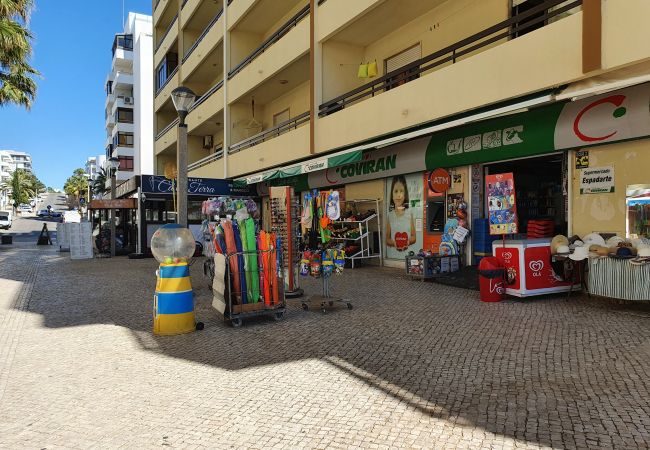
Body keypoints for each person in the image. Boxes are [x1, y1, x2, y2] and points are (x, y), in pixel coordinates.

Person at [386, 175, 416, 252]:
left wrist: (408, 242)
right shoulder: (390, 215)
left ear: (405, 194)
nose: (398, 195)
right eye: (396, 191)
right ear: (392, 195)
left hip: (409, 253)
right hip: (394, 254)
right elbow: (387, 239)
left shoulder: (409, 213)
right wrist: (394, 243)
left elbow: (413, 237)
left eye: (401, 191)